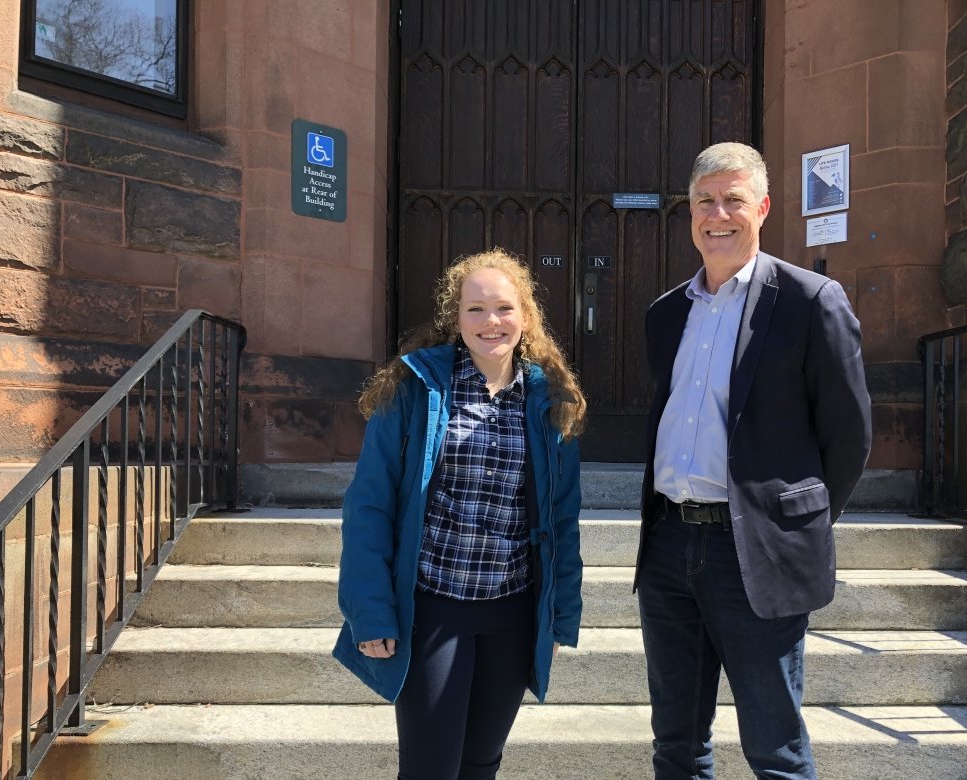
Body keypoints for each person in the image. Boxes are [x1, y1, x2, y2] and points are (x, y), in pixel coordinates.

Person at [634, 142, 872, 779]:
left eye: (733, 199)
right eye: (704, 201)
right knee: (676, 745)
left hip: (755, 555)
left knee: (775, 751)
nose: (719, 214)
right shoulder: (666, 314)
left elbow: (848, 437)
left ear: (762, 207)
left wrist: (793, 522)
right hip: (667, 549)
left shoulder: (810, 300)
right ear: (689, 212)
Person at [332, 248, 586, 779]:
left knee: (480, 763)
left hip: (511, 612)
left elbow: (562, 520)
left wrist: (559, 615)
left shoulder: (549, 400)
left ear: (525, 316)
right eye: (475, 309)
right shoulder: (415, 390)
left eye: (503, 308)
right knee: (430, 768)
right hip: (432, 609)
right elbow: (369, 506)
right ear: (456, 318)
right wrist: (370, 610)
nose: (491, 322)